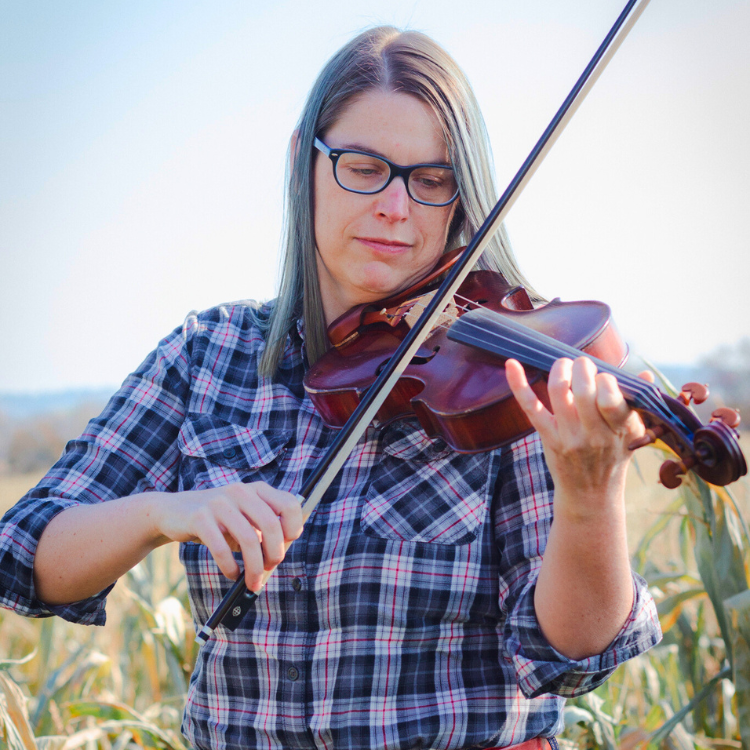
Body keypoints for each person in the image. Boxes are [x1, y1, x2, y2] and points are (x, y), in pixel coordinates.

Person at [0, 26, 661, 750]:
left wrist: (591, 494)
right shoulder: (210, 355)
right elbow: (29, 556)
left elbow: (570, 658)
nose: (396, 208)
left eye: (431, 179)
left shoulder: (512, 375)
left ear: (463, 195)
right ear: (302, 163)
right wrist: (165, 511)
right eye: (364, 166)